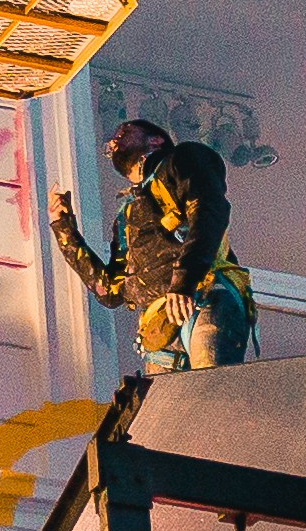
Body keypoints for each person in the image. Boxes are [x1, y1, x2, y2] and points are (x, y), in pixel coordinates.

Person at [51, 113, 255, 370]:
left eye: (125, 130)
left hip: (205, 298)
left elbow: (208, 211)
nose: (115, 138)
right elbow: (110, 290)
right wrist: (64, 228)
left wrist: (184, 283)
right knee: (166, 409)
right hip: (160, 332)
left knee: (210, 394)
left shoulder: (183, 159)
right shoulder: (126, 218)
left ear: (156, 140)